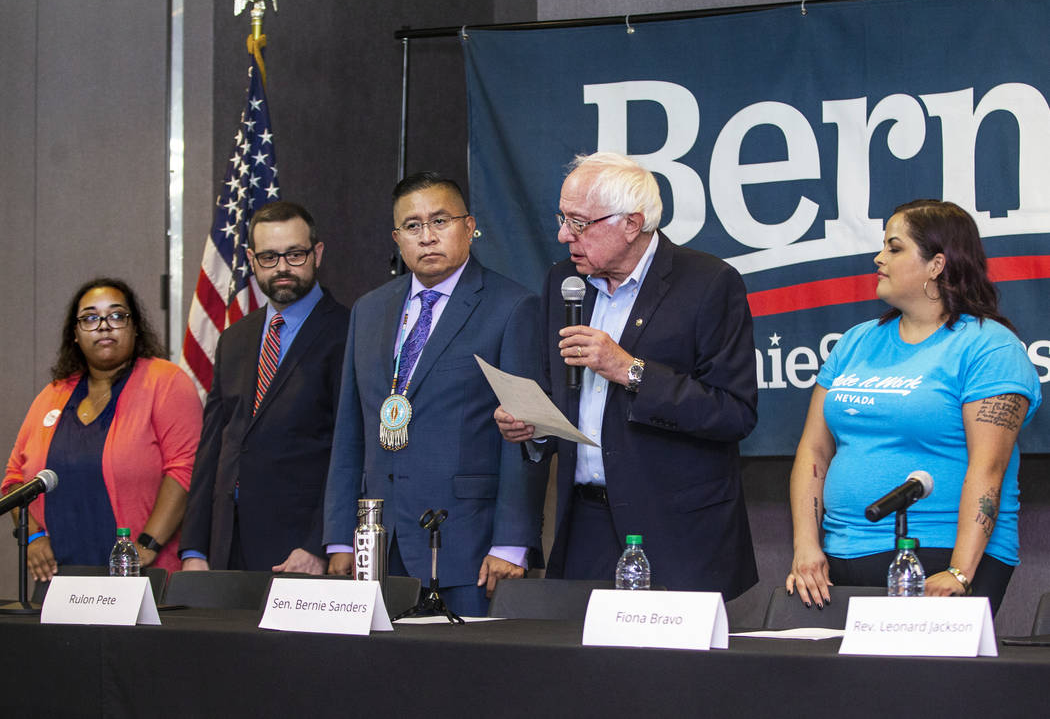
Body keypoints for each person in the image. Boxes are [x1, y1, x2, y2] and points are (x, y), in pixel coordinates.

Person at [495, 152, 759, 597]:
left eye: (579, 223)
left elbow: (734, 413)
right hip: (585, 526)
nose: (563, 236)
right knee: (582, 667)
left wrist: (630, 370)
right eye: (563, 219)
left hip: (676, 533)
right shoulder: (563, 282)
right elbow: (559, 394)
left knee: (670, 668)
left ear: (631, 224)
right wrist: (534, 428)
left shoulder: (709, 283)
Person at [786, 200, 1042, 613]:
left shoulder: (990, 347)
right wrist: (806, 546)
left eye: (894, 247)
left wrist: (960, 571)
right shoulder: (856, 342)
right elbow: (814, 451)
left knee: (923, 681)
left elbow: (988, 467)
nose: (879, 258)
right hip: (836, 559)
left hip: (938, 557)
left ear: (936, 264)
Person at [323, 172, 548, 616]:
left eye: (440, 221)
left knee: (464, 681)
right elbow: (350, 428)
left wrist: (512, 542)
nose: (427, 237)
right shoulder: (368, 310)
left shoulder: (512, 306)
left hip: (468, 547)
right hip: (376, 548)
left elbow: (526, 434)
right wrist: (338, 534)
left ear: (470, 226)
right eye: (412, 226)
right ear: (396, 238)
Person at [180, 201, 350, 573]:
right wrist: (194, 549)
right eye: (270, 257)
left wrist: (320, 544)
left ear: (317, 254)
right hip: (228, 545)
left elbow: (351, 451)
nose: (283, 268)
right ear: (251, 260)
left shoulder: (350, 333)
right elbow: (213, 447)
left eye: (295, 254)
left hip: (301, 551)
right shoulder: (234, 339)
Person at [4, 278, 201, 580]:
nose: (104, 326)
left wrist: (148, 543)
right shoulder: (53, 393)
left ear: (135, 327)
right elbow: (15, 482)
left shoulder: (165, 382)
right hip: (60, 577)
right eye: (90, 318)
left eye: (117, 315)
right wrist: (31, 537)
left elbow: (185, 468)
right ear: (75, 334)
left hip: (140, 574)